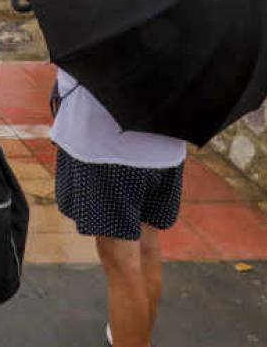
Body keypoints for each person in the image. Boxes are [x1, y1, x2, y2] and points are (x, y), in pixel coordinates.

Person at [50, 70, 186, 347]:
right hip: (166, 142)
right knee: (146, 247)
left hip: (109, 146)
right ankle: (136, 336)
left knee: (122, 262)